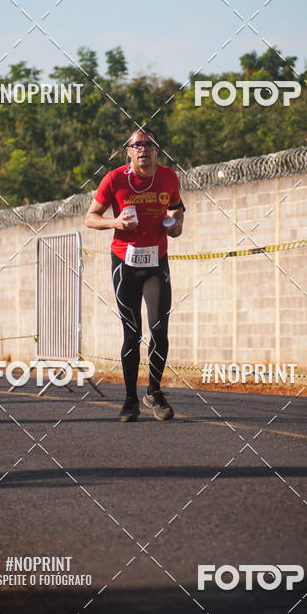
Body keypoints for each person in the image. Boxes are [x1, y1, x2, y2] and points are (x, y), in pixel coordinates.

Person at [85, 128, 184, 421]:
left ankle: (154, 392)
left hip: (157, 263)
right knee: (132, 334)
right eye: (137, 145)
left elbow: (178, 210)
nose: (143, 148)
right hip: (124, 264)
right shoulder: (114, 179)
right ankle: (129, 400)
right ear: (128, 151)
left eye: (149, 144)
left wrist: (177, 226)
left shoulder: (168, 177)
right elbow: (90, 218)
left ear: (157, 150)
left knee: (159, 329)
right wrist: (115, 222)